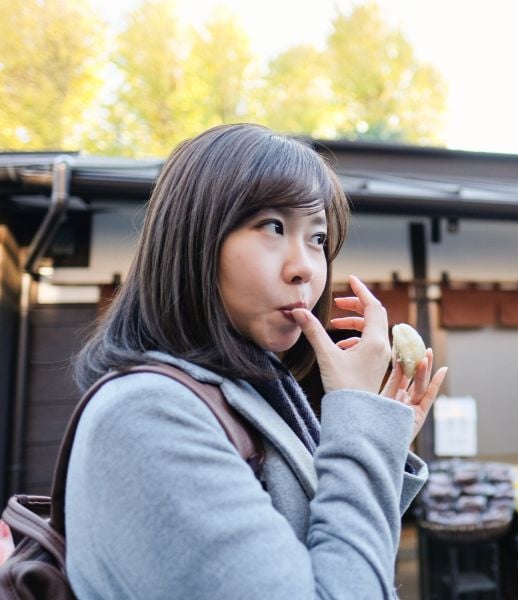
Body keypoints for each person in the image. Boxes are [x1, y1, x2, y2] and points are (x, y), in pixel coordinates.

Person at [68, 123, 447, 599]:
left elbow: (324, 545)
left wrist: (376, 443)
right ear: (195, 239)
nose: (305, 267)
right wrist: (359, 427)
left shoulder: (255, 389)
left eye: (318, 238)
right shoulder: (146, 413)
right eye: (273, 226)